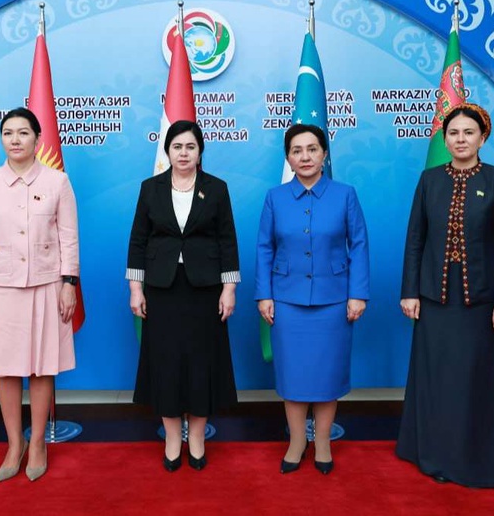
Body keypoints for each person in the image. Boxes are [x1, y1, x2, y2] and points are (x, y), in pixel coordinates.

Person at [396, 102, 494, 488]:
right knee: (438, 379)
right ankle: (434, 455)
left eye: (468, 132)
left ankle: (474, 456)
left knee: (474, 380)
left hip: (481, 303)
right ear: (445, 139)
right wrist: (410, 291)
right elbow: (415, 240)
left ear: (482, 138)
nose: (460, 139)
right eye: (453, 133)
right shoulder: (429, 180)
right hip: (434, 299)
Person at [0, 107, 79, 482]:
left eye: (23, 132)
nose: (15, 139)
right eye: (8, 133)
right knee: (5, 367)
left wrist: (69, 283)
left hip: (47, 285)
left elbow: (69, 238)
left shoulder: (58, 182)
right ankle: (15, 443)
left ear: (37, 138)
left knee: (43, 365)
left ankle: (38, 443)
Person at [255, 123, 370, 475]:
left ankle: (322, 443)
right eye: (296, 151)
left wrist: (357, 294)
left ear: (324, 154)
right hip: (286, 301)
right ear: (288, 158)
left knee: (327, 376)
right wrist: (264, 295)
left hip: (334, 301)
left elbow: (359, 244)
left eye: (312, 149)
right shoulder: (275, 197)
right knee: (292, 377)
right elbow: (264, 247)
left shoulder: (345, 194)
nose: (305, 157)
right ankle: (296, 442)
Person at [127, 120, 240, 472]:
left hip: (204, 291)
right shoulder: (151, 188)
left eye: (190, 146)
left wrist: (229, 288)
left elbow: (227, 241)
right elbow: (138, 240)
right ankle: (173, 438)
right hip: (161, 290)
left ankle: (198, 437)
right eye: (177, 147)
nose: (184, 153)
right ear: (168, 151)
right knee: (167, 363)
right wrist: (135, 288)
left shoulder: (216, 189)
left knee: (202, 363)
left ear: (200, 151)